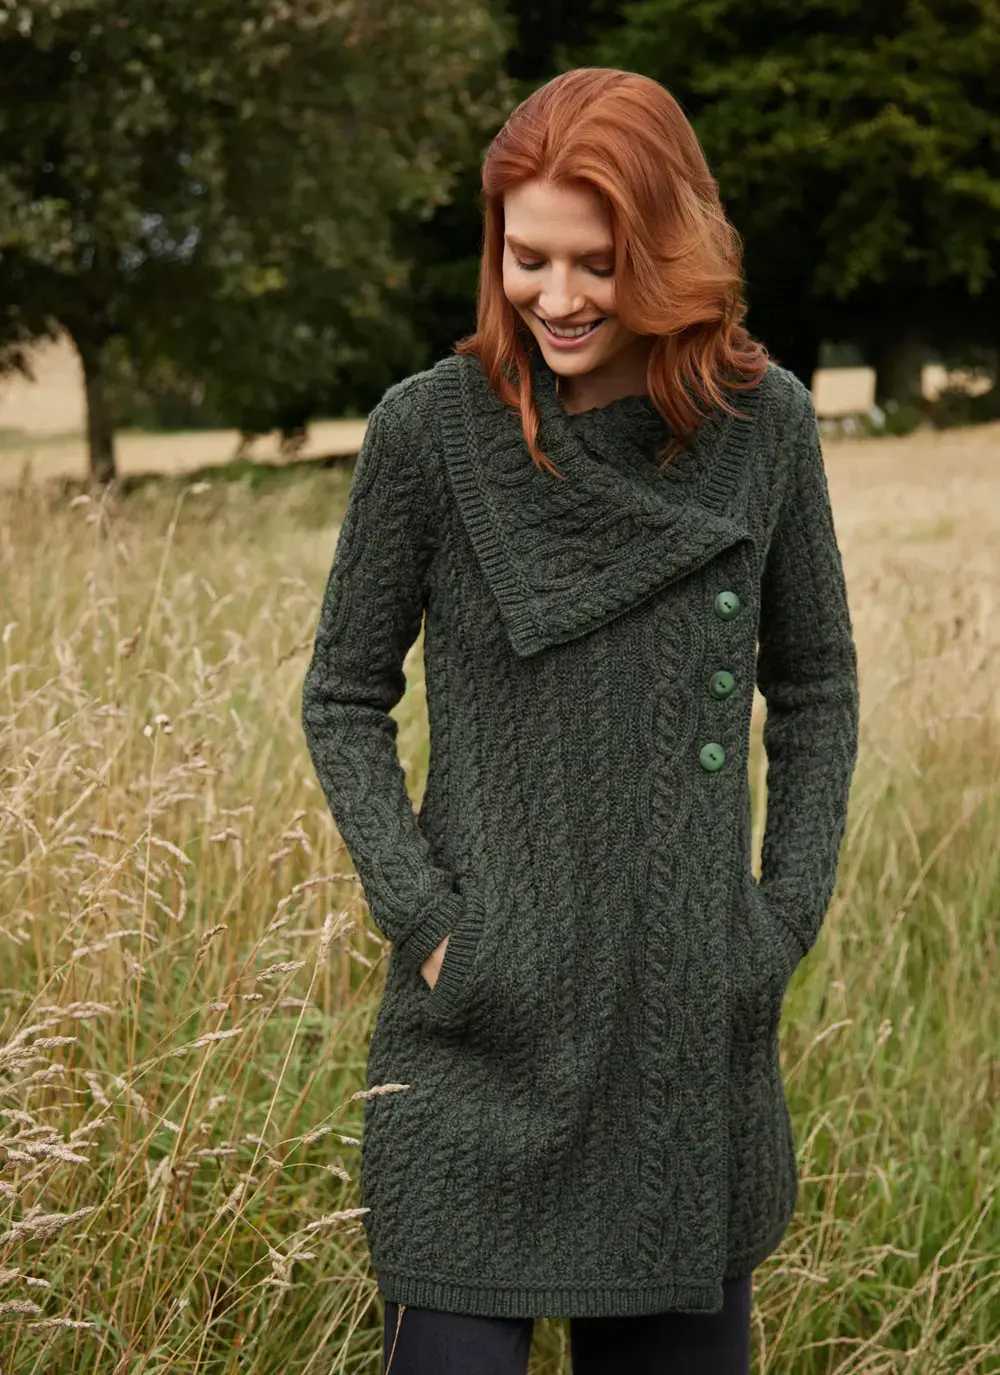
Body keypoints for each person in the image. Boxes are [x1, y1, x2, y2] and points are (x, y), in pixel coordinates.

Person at [301, 66, 860, 1375]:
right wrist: (432, 929)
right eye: (526, 257)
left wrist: (775, 922)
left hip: (681, 1034)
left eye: (596, 264)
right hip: (480, 1033)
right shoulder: (431, 434)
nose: (554, 297)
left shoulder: (763, 427)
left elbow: (818, 684)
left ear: (668, 250)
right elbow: (342, 695)